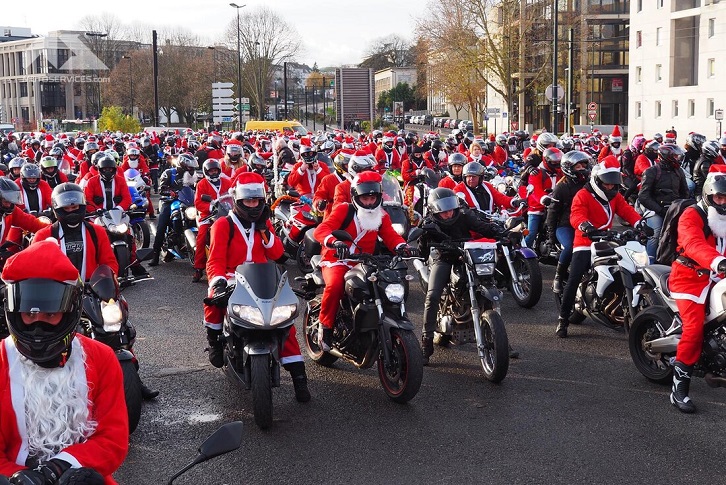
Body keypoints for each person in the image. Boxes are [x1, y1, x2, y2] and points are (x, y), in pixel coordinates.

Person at [0, 239, 128, 484]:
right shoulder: (1, 361)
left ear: (69, 311)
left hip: (82, 475)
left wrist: (60, 467)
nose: (38, 325)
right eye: (29, 314)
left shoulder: (101, 357)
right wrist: (18, 478)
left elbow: (113, 438)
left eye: (50, 314)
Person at [33, 183, 159, 401]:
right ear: (56, 208)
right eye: (67, 207)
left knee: (120, 326)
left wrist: (108, 280)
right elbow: (35, 266)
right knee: (42, 335)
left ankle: (133, 379)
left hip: (91, 290)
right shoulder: (44, 235)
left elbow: (109, 262)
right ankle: (41, 385)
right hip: (58, 293)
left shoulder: (96, 231)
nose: (72, 210)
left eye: (76, 206)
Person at [204, 172, 310, 403]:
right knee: (212, 300)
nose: (252, 206)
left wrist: (264, 231)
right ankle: (213, 340)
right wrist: (218, 281)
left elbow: (277, 254)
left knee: (284, 322)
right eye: (247, 201)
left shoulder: (264, 224)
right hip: (232, 277)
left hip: (262, 279)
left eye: (256, 201)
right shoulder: (223, 224)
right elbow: (215, 261)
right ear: (237, 201)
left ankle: (299, 377)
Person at [314, 171, 415, 351]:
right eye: (365, 198)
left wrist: (402, 247)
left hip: (365, 263)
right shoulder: (343, 210)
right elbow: (322, 230)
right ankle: (326, 326)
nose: (369, 202)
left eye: (373, 197)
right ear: (355, 197)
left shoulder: (382, 215)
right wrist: (334, 242)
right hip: (338, 260)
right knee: (335, 284)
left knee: (387, 283)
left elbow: (391, 236)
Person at [556, 157, 652, 338]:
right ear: (598, 181)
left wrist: (640, 224)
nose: (611, 187)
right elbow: (576, 215)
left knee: (632, 267)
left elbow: (627, 211)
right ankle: (562, 319)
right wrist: (585, 226)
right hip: (585, 241)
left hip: (607, 239)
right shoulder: (583, 195)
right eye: (607, 184)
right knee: (574, 278)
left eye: (613, 184)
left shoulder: (615, 196)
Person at [418, 188, 505, 365]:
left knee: (486, 283)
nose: (448, 213)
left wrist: (502, 233)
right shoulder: (429, 223)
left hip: (465, 256)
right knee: (433, 296)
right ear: (434, 210)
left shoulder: (464, 215)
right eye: (443, 210)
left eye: (450, 208)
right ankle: (426, 342)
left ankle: (499, 338)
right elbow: (423, 250)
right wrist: (423, 235)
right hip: (443, 259)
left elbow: (483, 227)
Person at [668, 172, 726, 413]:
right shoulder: (692, 214)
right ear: (708, 195)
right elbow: (692, 243)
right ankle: (678, 390)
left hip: (718, 276)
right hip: (690, 277)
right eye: (719, 197)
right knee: (694, 329)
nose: (723, 202)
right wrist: (717, 262)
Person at [545, 151, 591, 294]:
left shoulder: (588, 184)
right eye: (578, 166)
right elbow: (552, 213)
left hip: (585, 224)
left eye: (584, 165)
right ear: (568, 168)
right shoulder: (562, 187)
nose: (583, 168)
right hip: (565, 225)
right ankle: (558, 277)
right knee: (571, 247)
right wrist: (551, 236)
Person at [638, 145, 689, 261]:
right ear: (667, 156)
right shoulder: (651, 171)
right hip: (656, 210)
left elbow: (685, 193)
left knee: (684, 232)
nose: (678, 158)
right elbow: (643, 196)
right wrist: (660, 210)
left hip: (674, 210)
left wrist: (679, 208)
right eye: (675, 156)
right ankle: (649, 263)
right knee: (655, 234)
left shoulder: (679, 171)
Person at [149, 153, 199, 267]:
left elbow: (198, 187)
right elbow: (162, 189)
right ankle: (155, 255)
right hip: (170, 201)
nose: (192, 170)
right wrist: (169, 192)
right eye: (190, 167)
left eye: (193, 168)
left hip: (189, 202)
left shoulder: (195, 176)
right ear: (183, 165)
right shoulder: (169, 173)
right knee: (161, 226)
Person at [193, 159, 232, 283]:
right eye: (211, 171)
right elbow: (198, 202)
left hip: (227, 213)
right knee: (201, 237)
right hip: (208, 216)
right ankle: (198, 268)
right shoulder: (202, 184)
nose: (214, 173)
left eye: (215, 170)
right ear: (206, 172)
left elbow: (234, 195)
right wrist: (210, 207)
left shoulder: (227, 181)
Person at [454, 161, 523, 213]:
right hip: (471, 226)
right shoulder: (459, 189)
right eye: (469, 176)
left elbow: (500, 198)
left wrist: (514, 202)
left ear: (480, 178)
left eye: (474, 176)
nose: (471, 179)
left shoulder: (487, 186)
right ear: (464, 177)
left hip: (491, 222)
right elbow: (460, 208)